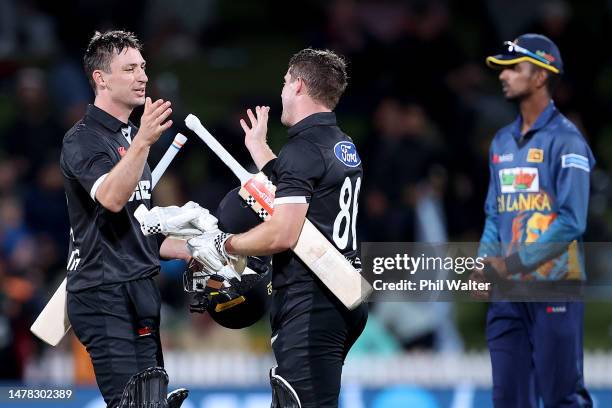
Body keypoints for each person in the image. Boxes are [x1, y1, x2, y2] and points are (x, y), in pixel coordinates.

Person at [188, 48, 369, 407]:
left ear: (299, 86)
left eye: (286, 82)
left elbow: (284, 232)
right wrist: (261, 150)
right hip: (342, 294)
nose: (282, 90)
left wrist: (224, 244)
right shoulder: (341, 145)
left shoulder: (302, 150)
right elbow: (300, 192)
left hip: (310, 302)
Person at [60, 30, 191, 408]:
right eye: (130, 69)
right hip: (102, 292)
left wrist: (196, 248)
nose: (143, 77)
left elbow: (141, 230)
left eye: (143, 67)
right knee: (132, 404)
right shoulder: (82, 139)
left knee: (150, 402)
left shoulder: (131, 137)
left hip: (140, 287)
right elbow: (112, 199)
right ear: (101, 79)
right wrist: (143, 143)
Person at [473, 34, 593, 407]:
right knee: (509, 399)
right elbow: (495, 213)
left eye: (514, 67)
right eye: (502, 68)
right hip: (508, 296)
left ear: (541, 76)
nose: (503, 75)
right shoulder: (501, 143)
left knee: (561, 398)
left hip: (554, 288)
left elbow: (572, 222)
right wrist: (483, 263)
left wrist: (509, 265)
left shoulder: (568, 142)